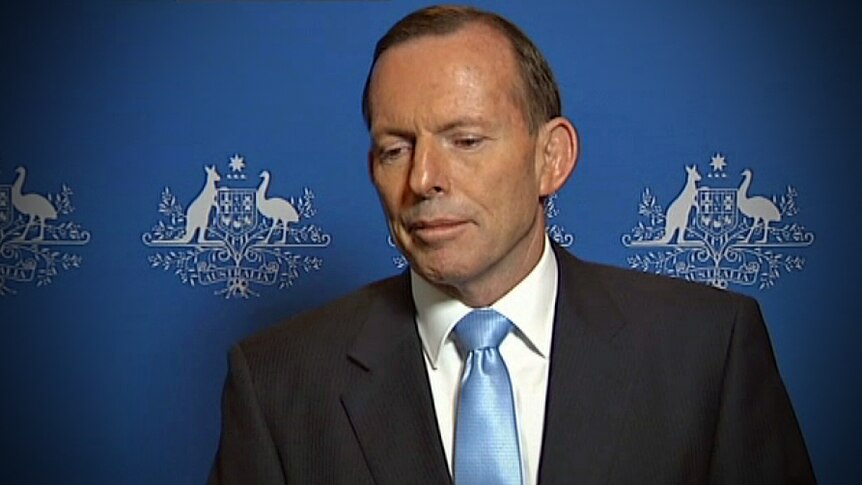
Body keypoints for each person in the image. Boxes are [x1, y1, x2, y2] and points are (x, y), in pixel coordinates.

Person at [209, 5, 816, 484]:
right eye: (395, 149)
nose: (422, 180)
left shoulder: (707, 349)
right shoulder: (278, 382)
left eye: (465, 140)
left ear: (551, 158)